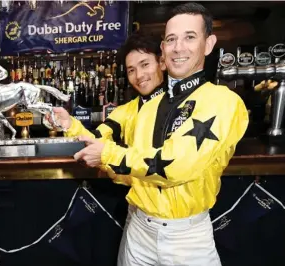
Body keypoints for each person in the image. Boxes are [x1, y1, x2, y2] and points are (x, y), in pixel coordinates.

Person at [73, 3, 249, 265]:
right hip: (139, 229)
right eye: (171, 39)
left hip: (187, 239)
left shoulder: (223, 101)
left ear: (208, 44)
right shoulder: (148, 105)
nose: (179, 47)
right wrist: (74, 131)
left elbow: (176, 166)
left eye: (190, 37)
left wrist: (107, 153)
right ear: (164, 50)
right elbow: (135, 172)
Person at [45, 32, 166, 245]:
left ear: (161, 62)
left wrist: (109, 154)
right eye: (131, 70)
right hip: (138, 217)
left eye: (145, 64)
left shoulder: (182, 105)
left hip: (181, 225)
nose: (139, 75)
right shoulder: (124, 112)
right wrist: (69, 124)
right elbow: (95, 139)